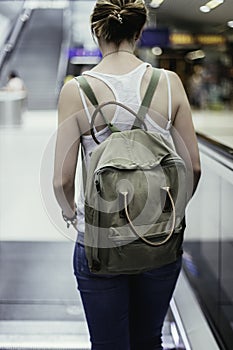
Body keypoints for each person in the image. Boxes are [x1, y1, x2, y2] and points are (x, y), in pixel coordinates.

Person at [53, 0, 201, 349]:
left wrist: (70, 212)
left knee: (108, 344)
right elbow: (193, 166)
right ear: (138, 33)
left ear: (96, 32)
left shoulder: (77, 90)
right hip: (160, 237)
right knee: (149, 339)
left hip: (99, 240)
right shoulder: (168, 82)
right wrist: (170, 212)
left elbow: (62, 179)